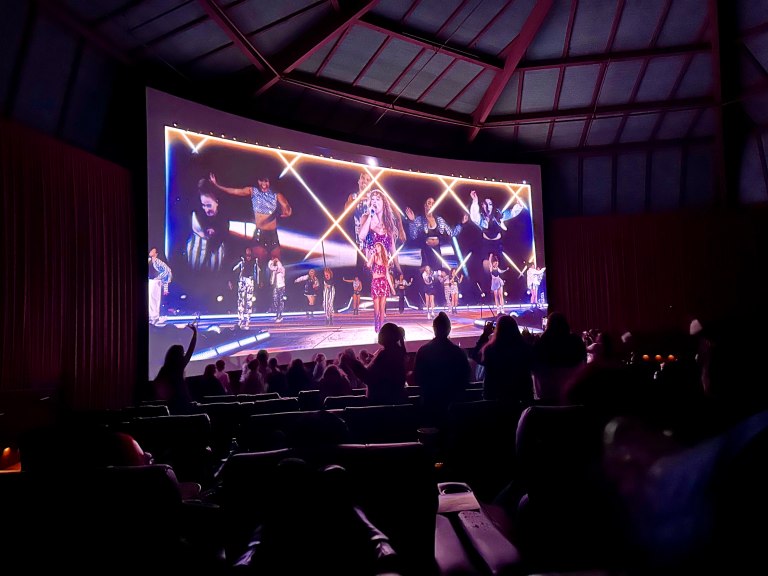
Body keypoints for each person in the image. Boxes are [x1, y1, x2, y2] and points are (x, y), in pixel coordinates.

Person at [208, 172, 291, 281]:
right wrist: (217, 185)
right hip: (259, 234)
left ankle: (276, 291)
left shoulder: (276, 195)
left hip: (272, 234)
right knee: (258, 264)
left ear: (270, 182)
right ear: (258, 181)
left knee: (277, 266)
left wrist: (286, 211)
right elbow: (235, 191)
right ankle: (259, 289)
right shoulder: (253, 191)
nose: (264, 184)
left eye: (266, 181)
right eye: (261, 181)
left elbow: (287, 207)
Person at [413, 312, 471, 427]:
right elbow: (466, 376)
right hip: (452, 403)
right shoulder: (458, 352)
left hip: (430, 402)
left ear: (434, 329)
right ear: (449, 329)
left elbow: (417, 377)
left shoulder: (423, 351)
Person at [471, 314, 533, 404]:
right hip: (520, 398)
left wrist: (485, 334)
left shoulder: (490, 350)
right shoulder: (524, 349)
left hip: (493, 399)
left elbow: (475, 355)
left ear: (497, 330)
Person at [349, 322, 408, 405]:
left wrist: (353, 362)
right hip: (396, 400)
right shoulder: (398, 352)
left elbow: (369, 378)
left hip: (381, 402)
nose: (379, 334)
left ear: (386, 336)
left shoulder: (385, 354)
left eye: (381, 332)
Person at [405, 196, 467, 271]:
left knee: (438, 276)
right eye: (429, 203)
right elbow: (413, 236)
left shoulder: (439, 220)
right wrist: (412, 221)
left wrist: (461, 224)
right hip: (425, 255)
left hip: (438, 255)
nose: (431, 205)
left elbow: (451, 233)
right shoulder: (419, 220)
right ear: (425, 205)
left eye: (433, 204)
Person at [468, 189, 525, 266]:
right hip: (486, 243)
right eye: (485, 204)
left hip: (497, 244)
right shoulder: (481, 217)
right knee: (486, 264)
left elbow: (511, 213)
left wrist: (519, 205)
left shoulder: (498, 216)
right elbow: (474, 216)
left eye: (490, 204)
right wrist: (475, 201)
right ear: (482, 205)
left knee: (499, 264)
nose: (488, 206)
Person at [357, 189, 405, 277]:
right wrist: (370, 216)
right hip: (370, 269)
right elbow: (361, 236)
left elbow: (393, 250)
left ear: (384, 203)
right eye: (373, 199)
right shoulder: (365, 218)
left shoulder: (388, 224)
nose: (375, 202)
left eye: (378, 199)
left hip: (385, 270)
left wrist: (399, 270)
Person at [152, 323, 197, 413]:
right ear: (179, 356)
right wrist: (195, 333)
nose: (184, 354)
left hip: (171, 402)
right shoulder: (179, 367)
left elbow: (156, 385)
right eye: (182, 353)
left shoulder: (164, 369)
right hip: (183, 399)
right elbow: (190, 350)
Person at [186, 179, 228, 271]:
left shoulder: (223, 217)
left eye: (208, 205)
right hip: (198, 246)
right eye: (203, 205)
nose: (206, 209)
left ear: (217, 202)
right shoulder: (196, 214)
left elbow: (223, 233)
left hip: (215, 249)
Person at [344, 171, 374, 268]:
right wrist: (360, 198)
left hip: (373, 238)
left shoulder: (375, 197)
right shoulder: (353, 197)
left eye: (368, 179)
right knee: (362, 269)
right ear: (359, 181)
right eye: (363, 178)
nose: (364, 181)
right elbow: (346, 212)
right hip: (359, 239)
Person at [367, 242, 393, 333]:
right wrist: (373, 254)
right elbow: (368, 265)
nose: (376, 248)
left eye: (378, 246)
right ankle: (376, 323)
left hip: (383, 283)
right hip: (375, 283)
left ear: (381, 248)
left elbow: (387, 275)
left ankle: (381, 327)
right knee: (376, 308)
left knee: (382, 307)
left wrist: (392, 288)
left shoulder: (386, 260)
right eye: (375, 246)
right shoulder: (374, 257)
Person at [231, 247, 260, 329]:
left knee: (249, 300)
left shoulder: (254, 261)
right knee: (240, 300)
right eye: (246, 251)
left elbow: (257, 272)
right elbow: (234, 269)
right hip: (242, 280)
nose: (248, 252)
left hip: (250, 281)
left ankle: (247, 319)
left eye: (249, 251)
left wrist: (257, 282)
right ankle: (240, 319)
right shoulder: (241, 260)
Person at [148, 247, 172, 325]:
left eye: (152, 251)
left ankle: (154, 318)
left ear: (156, 253)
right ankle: (151, 317)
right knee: (150, 299)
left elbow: (167, 270)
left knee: (154, 299)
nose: (150, 252)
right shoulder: (150, 260)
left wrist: (157, 278)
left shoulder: (158, 262)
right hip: (151, 281)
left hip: (155, 282)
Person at [268, 256, 286, 323]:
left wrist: (277, 262)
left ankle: (280, 316)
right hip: (275, 286)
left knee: (280, 301)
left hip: (281, 286)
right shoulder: (273, 269)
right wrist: (273, 261)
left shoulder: (282, 268)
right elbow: (270, 266)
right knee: (275, 301)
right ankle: (277, 315)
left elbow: (279, 268)